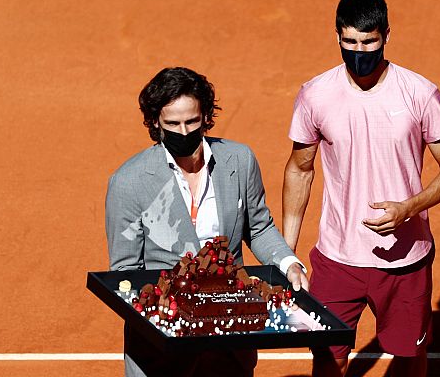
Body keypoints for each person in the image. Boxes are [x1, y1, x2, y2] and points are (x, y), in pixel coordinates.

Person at [282, 0, 440, 377]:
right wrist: (288, 250)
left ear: (386, 35)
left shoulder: (419, 93)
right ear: (337, 37)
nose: (359, 51)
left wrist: (408, 208)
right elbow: (300, 168)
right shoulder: (315, 94)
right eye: (349, 42)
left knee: (408, 357)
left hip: (405, 259)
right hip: (336, 258)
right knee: (328, 359)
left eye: (369, 42)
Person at [106, 67, 308, 377]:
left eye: (192, 121)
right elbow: (125, 272)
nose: (184, 132)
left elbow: (259, 227)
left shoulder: (239, 160)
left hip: (229, 340)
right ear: (155, 122)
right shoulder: (129, 182)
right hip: (164, 350)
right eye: (172, 123)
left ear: (206, 117)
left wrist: (289, 264)